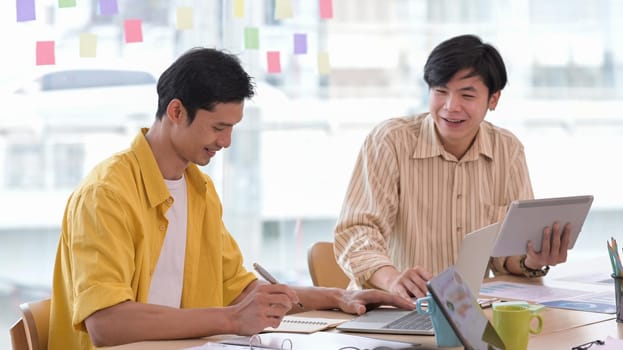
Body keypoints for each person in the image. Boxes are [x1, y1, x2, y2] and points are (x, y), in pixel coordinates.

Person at [48, 47, 415, 349]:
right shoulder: (106, 195)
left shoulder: (199, 190)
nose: (226, 142)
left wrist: (338, 297)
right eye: (219, 127)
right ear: (176, 112)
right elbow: (107, 323)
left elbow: (238, 288)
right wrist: (232, 319)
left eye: (232, 128)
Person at [333, 34, 571, 300]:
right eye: (440, 92)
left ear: (493, 99)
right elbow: (357, 230)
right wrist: (392, 278)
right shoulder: (390, 141)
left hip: (469, 311)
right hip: (394, 306)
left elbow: (507, 256)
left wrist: (534, 260)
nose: (450, 107)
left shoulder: (508, 149)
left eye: (467, 95)